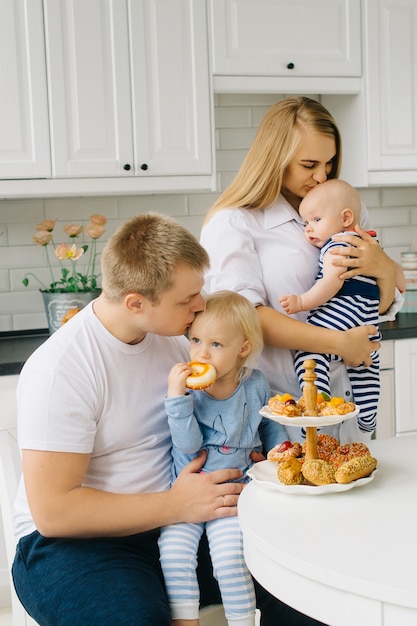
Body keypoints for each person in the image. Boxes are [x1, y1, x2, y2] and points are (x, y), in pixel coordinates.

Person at [13, 213, 247, 626]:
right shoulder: (61, 369)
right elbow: (55, 512)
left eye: (200, 291)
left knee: (296, 580)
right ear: (136, 302)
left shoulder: (181, 337)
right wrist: (175, 505)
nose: (201, 306)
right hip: (75, 544)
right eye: (186, 299)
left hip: (179, 520)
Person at [200, 96, 403, 445]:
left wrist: (383, 268)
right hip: (283, 405)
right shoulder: (234, 223)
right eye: (309, 164)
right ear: (275, 158)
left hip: (351, 399)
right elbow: (243, 319)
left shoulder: (342, 205)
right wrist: (341, 343)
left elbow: (380, 302)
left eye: (329, 162)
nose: (321, 175)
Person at [159, 291, 288, 626]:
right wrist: (176, 399)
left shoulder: (255, 384)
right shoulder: (188, 391)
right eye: (196, 340)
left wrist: (277, 456)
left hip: (231, 495)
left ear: (242, 348)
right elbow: (187, 446)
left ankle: (242, 621)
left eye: (215, 344)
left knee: (230, 559)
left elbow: (269, 422)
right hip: (186, 494)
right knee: (173, 556)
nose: (201, 352)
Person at [280, 179, 381, 435]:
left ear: (345, 217)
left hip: (340, 313)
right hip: (367, 318)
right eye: (305, 223)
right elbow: (392, 281)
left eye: (315, 220)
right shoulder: (369, 242)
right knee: (367, 368)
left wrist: (301, 302)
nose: (308, 229)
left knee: (308, 353)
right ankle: (368, 414)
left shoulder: (338, 243)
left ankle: (316, 410)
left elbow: (331, 283)